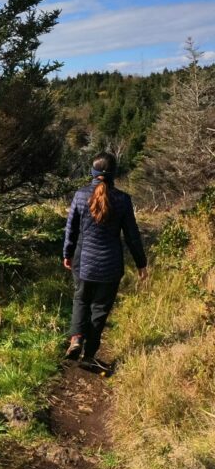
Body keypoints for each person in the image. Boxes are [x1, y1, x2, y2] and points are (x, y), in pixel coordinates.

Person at [62, 151, 148, 369]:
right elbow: (132, 235)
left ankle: (76, 339)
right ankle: (89, 355)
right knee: (100, 308)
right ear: (113, 173)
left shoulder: (81, 195)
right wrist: (141, 263)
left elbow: (71, 229)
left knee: (81, 299)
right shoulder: (123, 199)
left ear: (93, 171)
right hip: (111, 265)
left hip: (83, 262)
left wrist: (67, 253)